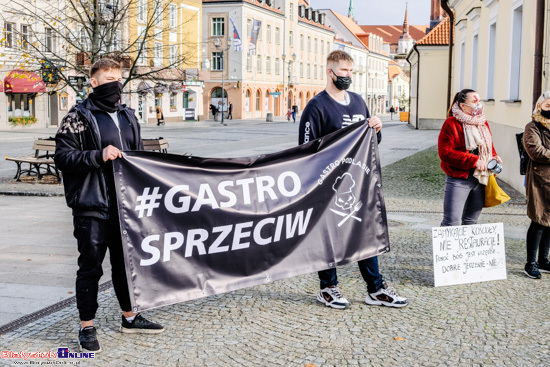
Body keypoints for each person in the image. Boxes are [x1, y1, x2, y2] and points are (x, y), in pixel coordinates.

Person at [55, 59, 164, 353]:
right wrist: (97, 155)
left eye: (118, 78)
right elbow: (63, 159)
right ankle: (87, 326)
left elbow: (138, 156)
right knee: (90, 267)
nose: (114, 83)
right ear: (93, 82)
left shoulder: (128, 114)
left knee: (126, 265)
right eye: (108, 79)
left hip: (125, 205)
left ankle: (130, 316)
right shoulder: (78, 116)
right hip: (92, 204)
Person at [299, 50, 408, 309]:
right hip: (328, 185)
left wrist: (377, 129)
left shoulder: (359, 102)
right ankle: (328, 288)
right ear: (330, 72)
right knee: (327, 235)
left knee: (364, 233)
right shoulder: (317, 106)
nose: (348, 76)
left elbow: (371, 143)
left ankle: (376, 288)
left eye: (351, 71)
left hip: (360, 182)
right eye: (344, 71)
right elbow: (304, 149)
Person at [438, 89, 501, 227]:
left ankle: (466, 249)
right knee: (452, 222)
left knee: (471, 221)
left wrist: (494, 156)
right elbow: (445, 153)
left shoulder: (483, 123)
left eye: (479, 101)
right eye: (474, 101)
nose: (478, 104)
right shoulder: (451, 123)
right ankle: (449, 249)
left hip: (480, 178)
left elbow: (488, 145)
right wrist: (473, 160)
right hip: (459, 178)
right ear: (462, 105)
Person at [522, 91, 550, 279]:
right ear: (539, 106)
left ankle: (544, 260)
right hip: (540, 180)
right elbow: (536, 151)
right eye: (548, 105)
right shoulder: (532, 126)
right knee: (538, 220)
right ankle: (530, 263)